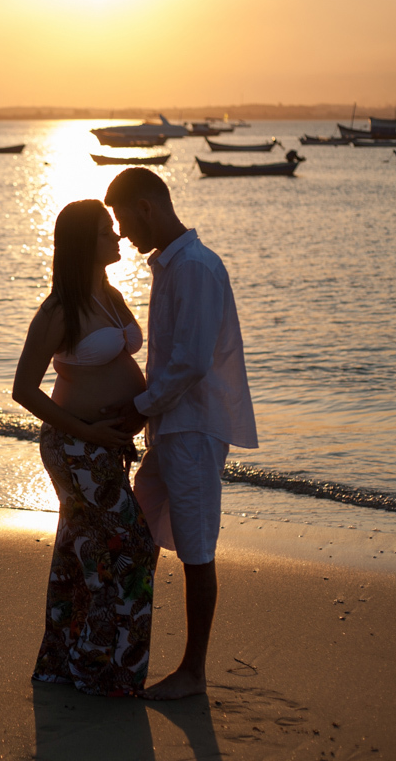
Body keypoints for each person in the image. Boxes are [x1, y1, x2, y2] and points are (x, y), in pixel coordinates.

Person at [102, 168, 257, 700]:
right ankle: (124, 643)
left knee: (195, 549)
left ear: (146, 207)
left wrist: (139, 407)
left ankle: (193, 672)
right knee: (137, 529)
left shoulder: (194, 267)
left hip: (192, 428)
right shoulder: (172, 268)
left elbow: (190, 362)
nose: (123, 234)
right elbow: (169, 356)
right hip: (173, 427)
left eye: (124, 219)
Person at [12, 199, 158, 697]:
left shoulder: (112, 297)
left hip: (103, 444)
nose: (117, 238)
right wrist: (91, 431)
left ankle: (73, 666)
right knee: (131, 546)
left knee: (83, 554)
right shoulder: (59, 309)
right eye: (105, 232)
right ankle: (108, 666)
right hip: (74, 446)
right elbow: (24, 390)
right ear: (82, 244)